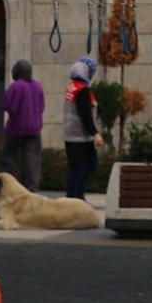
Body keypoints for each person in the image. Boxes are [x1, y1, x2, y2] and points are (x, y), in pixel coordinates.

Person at [0, 58, 47, 194]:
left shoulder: (16, 86)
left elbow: (7, 106)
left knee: (7, 156)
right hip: (35, 128)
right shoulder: (37, 86)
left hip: (16, 128)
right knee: (32, 159)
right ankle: (31, 188)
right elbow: (42, 107)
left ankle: (11, 185)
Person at [61, 57, 100, 201]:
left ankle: (76, 196)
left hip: (71, 135)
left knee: (81, 167)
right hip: (80, 137)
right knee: (84, 167)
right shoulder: (82, 91)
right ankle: (74, 197)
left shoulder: (72, 87)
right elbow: (85, 115)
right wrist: (95, 133)